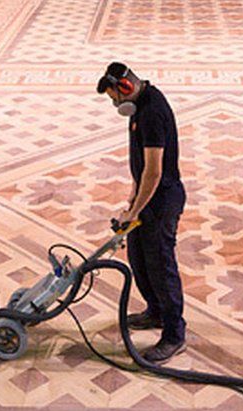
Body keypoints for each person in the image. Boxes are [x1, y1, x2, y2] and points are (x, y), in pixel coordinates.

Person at [96, 62, 187, 363]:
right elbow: (140, 168)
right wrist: (130, 202)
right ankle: (156, 312)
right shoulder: (138, 108)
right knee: (138, 259)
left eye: (115, 98)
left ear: (126, 88)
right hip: (146, 200)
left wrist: (136, 210)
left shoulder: (151, 113)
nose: (115, 104)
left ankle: (175, 334)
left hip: (162, 202)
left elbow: (154, 172)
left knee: (161, 266)